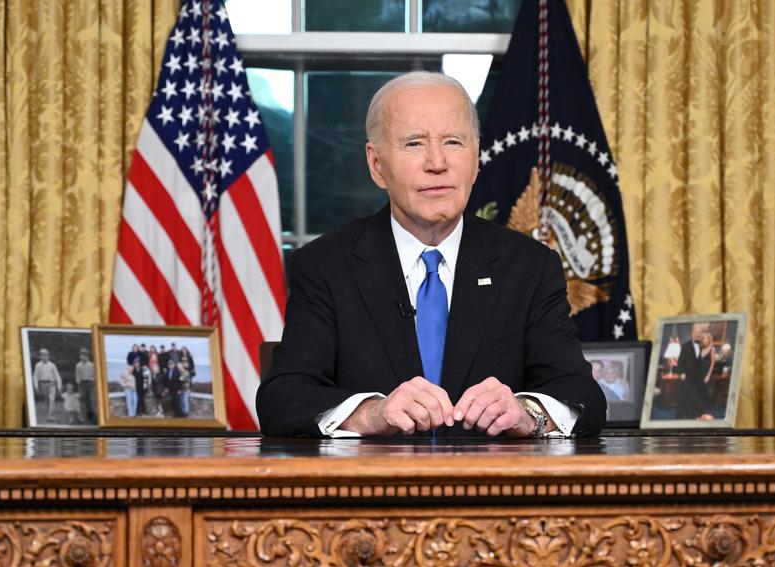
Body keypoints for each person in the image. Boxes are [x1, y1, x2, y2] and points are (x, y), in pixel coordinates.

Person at [256, 72, 605, 438]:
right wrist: (372, 413)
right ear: (377, 165)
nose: (437, 162)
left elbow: (583, 397)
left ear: (476, 158)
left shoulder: (530, 267)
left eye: (453, 142)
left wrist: (528, 413)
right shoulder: (325, 266)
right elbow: (282, 399)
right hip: (372, 488)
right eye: (414, 144)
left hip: (492, 488)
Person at [33, 348, 63, 421]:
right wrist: (36, 385)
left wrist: (59, 385)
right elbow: (35, 376)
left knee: (51, 399)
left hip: (51, 384)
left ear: (48, 356)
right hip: (43, 384)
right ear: (40, 356)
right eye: (43, 355)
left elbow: (57, 375)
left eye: (46, 355)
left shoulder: (52, 365)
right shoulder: (38, 365)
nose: (44, 357)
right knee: (46, 400)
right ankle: (48, 413)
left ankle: (51, 415)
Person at [75, 348, 96, 423]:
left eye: (85, 355)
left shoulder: (92, 365)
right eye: (81, 355)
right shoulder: (78, 365)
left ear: (87, 356)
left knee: (90, 400)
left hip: (90, 383)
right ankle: (83, 416)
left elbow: (95, 375)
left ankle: (91, 416)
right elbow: (78, 376)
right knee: (83, 400)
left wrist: (93, 382)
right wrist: (79, 385)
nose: (83, 357)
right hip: (82, 383)